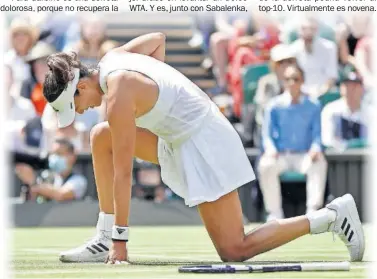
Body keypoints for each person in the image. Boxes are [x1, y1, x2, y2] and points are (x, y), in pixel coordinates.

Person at [42, 33, 364, 264]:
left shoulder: (117, 96)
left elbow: (124, 174)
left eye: (76, 104)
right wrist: (162, 100)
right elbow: (158, 39)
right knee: (101, 137)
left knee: (234, 250)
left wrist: (121, 242)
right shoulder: (113, 60)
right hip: (178, 137)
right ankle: (102, 236)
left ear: (82, 86)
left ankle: (331, 216)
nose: (79, 113)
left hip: (206, 140)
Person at [258, 64, 328, 220]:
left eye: (295, 79)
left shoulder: (313, 106)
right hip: (281, 156)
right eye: (287, 79)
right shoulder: (273, 106)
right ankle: (274, 213)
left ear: (302, 81)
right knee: (266, 164)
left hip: (304, 156)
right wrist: (270, 149)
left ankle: (313, 212)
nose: (291, 83)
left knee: (319, 162)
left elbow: (317, 135)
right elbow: (267, 135)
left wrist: (315, 148)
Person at [15, 138, 87, 202]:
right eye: (53, 154)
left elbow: (61, 195)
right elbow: (31, 201)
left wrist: (33, 183)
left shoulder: (79, 180)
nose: (54, 157)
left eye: (59, 154)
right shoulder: (46, 177)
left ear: (72, 157)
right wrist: (28, 183)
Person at [290, 17, 338, 98]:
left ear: (317, 30)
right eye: (304, 29)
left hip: (324, 94)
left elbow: (332, 76)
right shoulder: (292, 50)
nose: (308, 32)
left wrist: (321, 92)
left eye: (312, 29)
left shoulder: (329, 47)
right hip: (300, 95)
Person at [321, 68, 368, 150]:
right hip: (338, 158)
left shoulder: (371, 112)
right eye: (347, 85)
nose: (351, 90)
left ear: (362, 88)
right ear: (341, 88)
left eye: (355, 85)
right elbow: (327, 141)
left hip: (363, 157)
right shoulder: (330, 110)